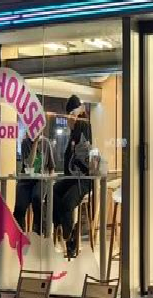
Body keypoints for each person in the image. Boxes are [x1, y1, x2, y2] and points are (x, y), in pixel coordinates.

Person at [53, 94, 93, 258]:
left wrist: (74, 124)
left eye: (71, 114)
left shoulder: (83, 125)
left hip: (82, 180)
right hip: (70, 178)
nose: (69, 118)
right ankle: (61, 228)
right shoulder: (74, 129)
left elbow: (82, 155)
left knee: (67, 202)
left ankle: (69, 239)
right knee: (52, 193)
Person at [13, 134, 55, 234]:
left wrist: (50, 182)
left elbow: (51, 166)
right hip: (26, 180)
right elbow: (29, 164)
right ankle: (20, 235)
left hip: (40, 180)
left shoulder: (46, 143)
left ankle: (38, 232)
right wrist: (35, 143)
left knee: (37, 198)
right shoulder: (25, 143)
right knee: (19, 206)